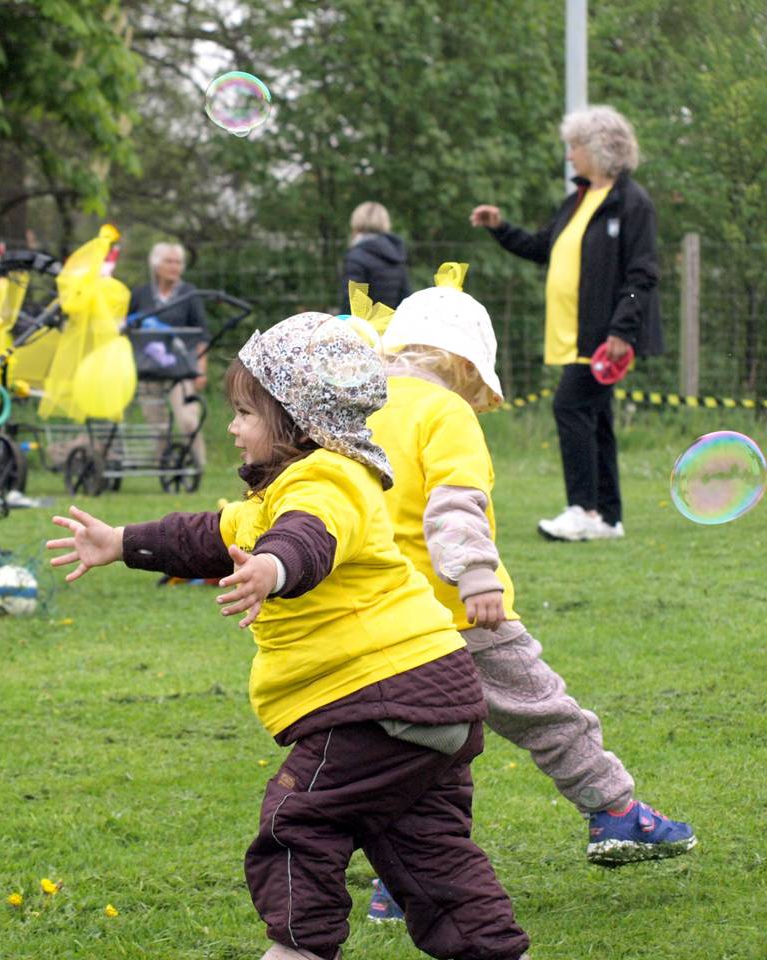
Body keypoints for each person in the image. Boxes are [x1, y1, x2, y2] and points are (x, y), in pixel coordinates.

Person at [48, 312, 531, 960]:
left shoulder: (327, 479)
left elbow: (309, 536)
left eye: (246, 413)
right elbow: (205, 534)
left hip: (375, 699)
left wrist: (273, 569)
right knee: (430, 856)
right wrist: (122, 542)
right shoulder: (279, 495)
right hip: (433, 693)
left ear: (299, 423)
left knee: (298, 821)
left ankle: (298, 950)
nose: (232, 427)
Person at [363, 274, 695, 925]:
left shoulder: (361, 412)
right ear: (464, 366)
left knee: (416, 756)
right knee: (548, 715)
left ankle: (397, 883)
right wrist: (476, 574)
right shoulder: (445, 412)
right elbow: (454, 502)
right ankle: (615, 812)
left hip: (385, 624)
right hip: (462, 614)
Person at [470, 104, 661, 542]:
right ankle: (608, 517)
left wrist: (622, 330)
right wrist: (501, 228)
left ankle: (583, 509)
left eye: (575, 146)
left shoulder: (633, 203)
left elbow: (643, 274)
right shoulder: (576, 200)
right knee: (597, 417)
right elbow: (542, 247)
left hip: (602, 337)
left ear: (602, 148)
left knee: (569, 407)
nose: (570, 155)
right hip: (571, 334)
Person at [128, 242, 209, 468]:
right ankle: (162, 465)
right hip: (148, 369)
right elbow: (127, 328)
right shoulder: (141, 294)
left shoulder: (189, 294)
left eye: (178, 262)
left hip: (181, 370)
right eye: (169, 262)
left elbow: (202, 335)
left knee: (188, 420)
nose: (175, 267)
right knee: (157, 425)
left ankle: (197, 465)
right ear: (156, 265)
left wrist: (200, 369)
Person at [338, 201, 412, 315]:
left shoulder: (356, 256)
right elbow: (405, 297)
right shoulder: (395, 254)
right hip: (391, 323)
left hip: (364, 324)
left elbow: (351, 302)